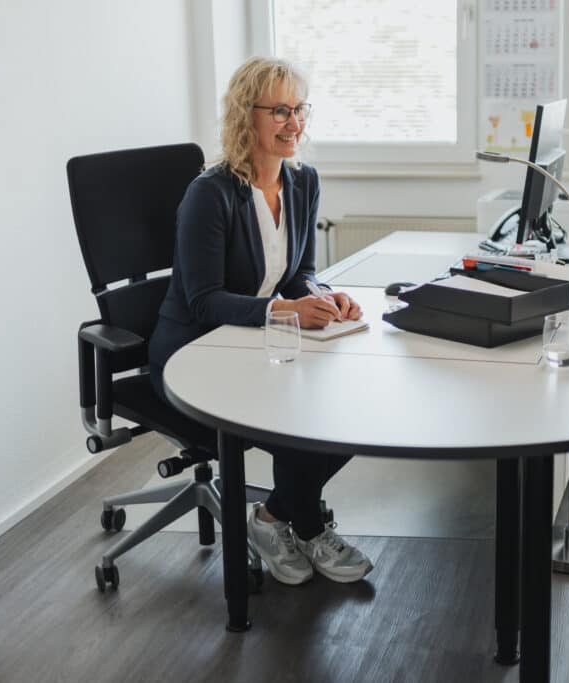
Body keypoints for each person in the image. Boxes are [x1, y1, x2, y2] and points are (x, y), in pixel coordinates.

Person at [148, 57, 373, 586]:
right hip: (194, 352)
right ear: (245, 116)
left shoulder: (303, 182)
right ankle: (308, 526)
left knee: (352, 410)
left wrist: (324, 298)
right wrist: (285, 310)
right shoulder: (210, 194)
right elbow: (203, 301)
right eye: (279, 111)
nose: (294, 122)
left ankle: (271, 517)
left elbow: (300, 274)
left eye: (299, 109)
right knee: (300, 426)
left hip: (260, 343)